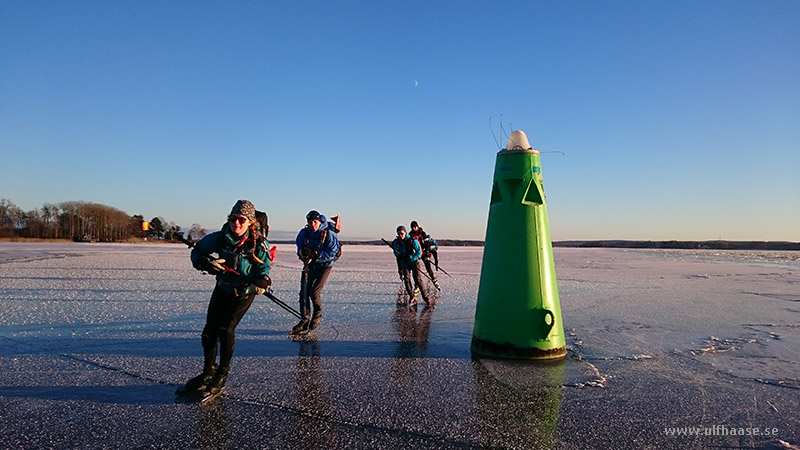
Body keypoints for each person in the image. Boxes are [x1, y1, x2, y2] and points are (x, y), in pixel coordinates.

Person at [176, 200, 272, 398]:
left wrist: (261, 282)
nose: (237, 223)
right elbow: (197, 252)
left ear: (250, 223)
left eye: (242, 220)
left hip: (244, 291)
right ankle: (207, 373)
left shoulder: (258, 243)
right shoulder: (220, 237)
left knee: (225, 329)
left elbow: (264, 270)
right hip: (223, 287)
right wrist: (204, 264)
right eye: (233, 219)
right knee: (208, 332)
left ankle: (221, 374)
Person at [291, 210, 340, 335]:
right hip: (310, 265)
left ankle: (317, 314)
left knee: (314, 291)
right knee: (304, 293)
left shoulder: (328, 234)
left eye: (315, 222)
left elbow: (332, 252)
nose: (313, 224)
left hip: (325, 266)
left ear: (320, 222)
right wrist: (303, 254)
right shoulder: (304, 232)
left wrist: (317, 254)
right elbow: (299, 247)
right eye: (310, 222)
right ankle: (304, 319)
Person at [390, 225, 431, 305]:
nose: (400, 235)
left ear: (405, 232)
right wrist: (399, 256)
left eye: (402, 233)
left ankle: (425, 297)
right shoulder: (396, 242)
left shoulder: (412, 241)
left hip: (414, 262)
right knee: (406, 279)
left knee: (418, 280)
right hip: (405, 263)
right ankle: (412, 296)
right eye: (398, 234)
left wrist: (411, 257)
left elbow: (419, 252)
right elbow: (395, 251)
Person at [409, 221, 441, 290]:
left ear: (417, 226)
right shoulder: (410, 235)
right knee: (416, 270)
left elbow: (426, 244)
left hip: (423, 253)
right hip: (416, 254)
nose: (414, 228)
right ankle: (417, 285)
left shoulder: (422, 233)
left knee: (428, 267)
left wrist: (426, 253)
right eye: (412, 227)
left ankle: (434, 280)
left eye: (415, 227)